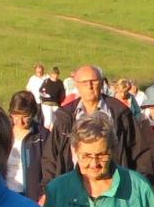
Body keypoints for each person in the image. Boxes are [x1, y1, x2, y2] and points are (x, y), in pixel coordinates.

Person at [43, 64, 139, 193]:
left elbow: (138, 150)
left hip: (114, 186)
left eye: (93, 81)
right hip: (72, 188)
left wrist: (137, 187)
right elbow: (51, 156)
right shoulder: (65, 116)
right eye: (84, 82)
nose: (89, 86)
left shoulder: (120, 113)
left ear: (101, 83)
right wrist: (48, 189)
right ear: (76, 85)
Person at [3, 90, 52, 200]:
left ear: (33, 114)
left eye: (25, 116)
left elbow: (49, 169)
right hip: (4, 194)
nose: (20, 121)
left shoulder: (43, 136)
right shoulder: (2, 132)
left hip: (32, 198)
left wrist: (44, 194)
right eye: (15, 116)